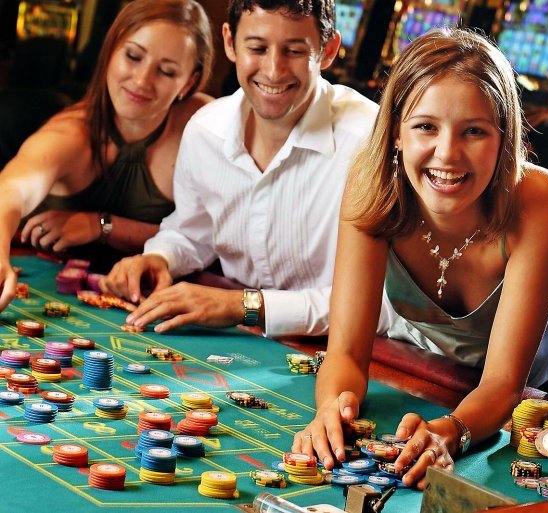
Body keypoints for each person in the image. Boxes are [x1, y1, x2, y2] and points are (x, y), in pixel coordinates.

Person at [294, 28, 548, 489]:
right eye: (425, 127)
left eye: (474, 131)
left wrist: (447, 432)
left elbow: (503, 383)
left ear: (504, 139)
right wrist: (334, 408)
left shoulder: (542, 200)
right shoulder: (372, 185)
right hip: (446, 364)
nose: (447, 153)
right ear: (395, 132)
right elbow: (348, 351)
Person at [99, 0, 389, 338]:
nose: (273, 70)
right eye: (257, 47)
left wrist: (245, 305)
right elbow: (194, 231)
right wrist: (160, 257)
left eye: (294, 51)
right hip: (241, 341)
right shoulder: (205, 130)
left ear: (328, 50)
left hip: (346, 353)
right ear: (229, 41)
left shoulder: (371, 143)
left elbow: (387, 306)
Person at [0, 0, 214, 312]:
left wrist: (101, 226)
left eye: (166, 71)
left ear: (189, 82)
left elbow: (219, 237)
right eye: (133, 56)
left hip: (154, 302)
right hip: (60, 291)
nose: (142, 81)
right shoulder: (70, 133)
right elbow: (10, 191)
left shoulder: (203, 126)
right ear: (110, 51)